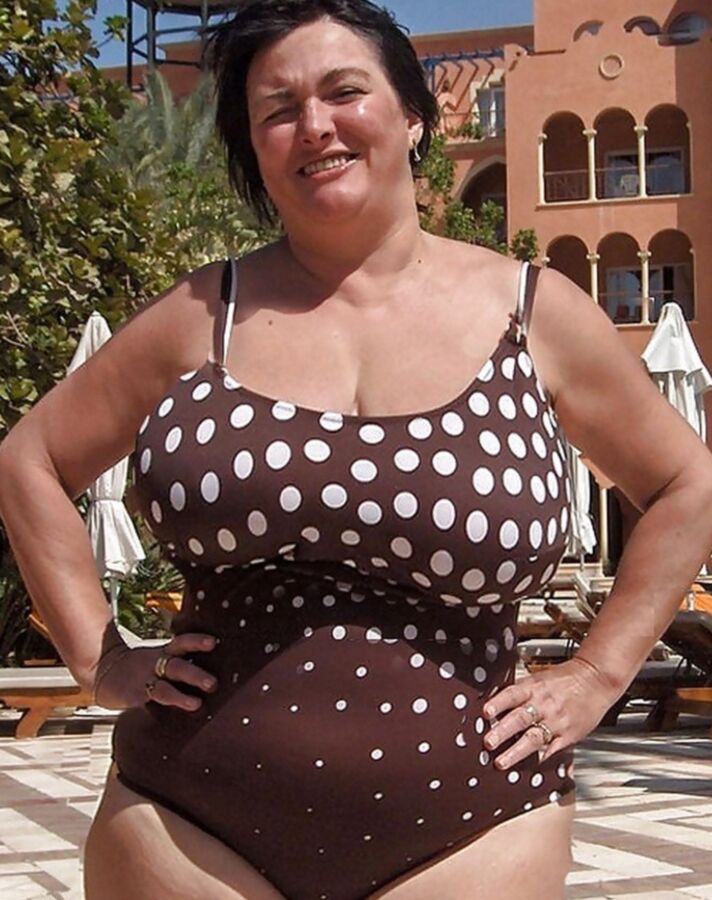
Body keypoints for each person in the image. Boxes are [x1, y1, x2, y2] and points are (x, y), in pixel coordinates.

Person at [1, 1, 711, 897]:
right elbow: (28, 459)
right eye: (277, 109)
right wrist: (100, 658)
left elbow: (688, 482)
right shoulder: (197, 317)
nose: (314, 125)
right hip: (183, 828)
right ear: (254, 147)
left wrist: (599, 673)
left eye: (344, 92)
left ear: (413, 115)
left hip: (476, 831)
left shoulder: (535, 314)